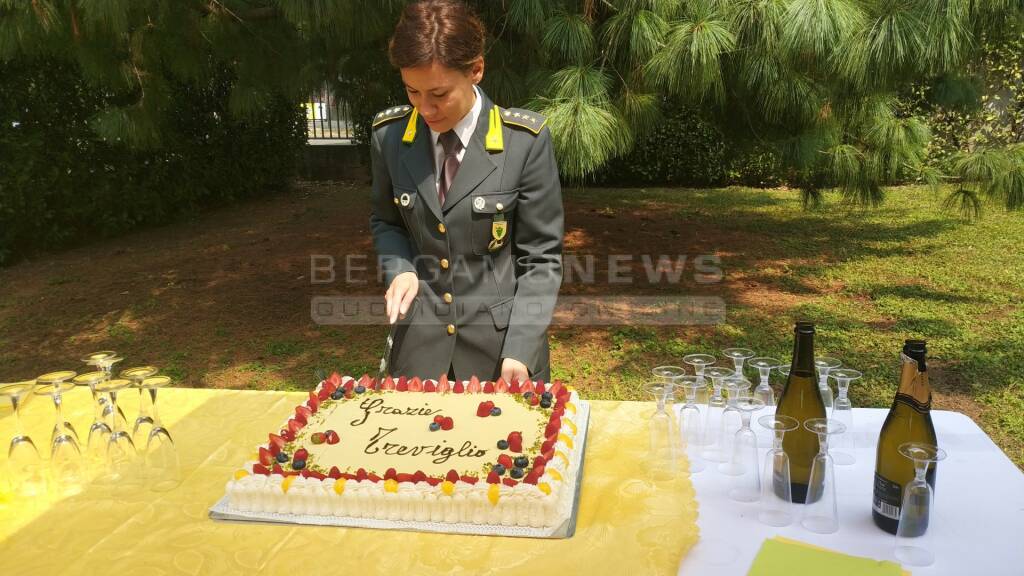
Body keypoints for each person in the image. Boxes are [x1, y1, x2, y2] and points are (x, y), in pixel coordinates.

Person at [369, 0, 563, 384]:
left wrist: (520, 348)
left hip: (502, 353)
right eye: (412, 92)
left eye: (439, 94)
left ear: (476, 69)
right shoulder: (389, 137)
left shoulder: (523, 143)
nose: (425, 108)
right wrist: (401, 269)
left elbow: (541, 258)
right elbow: (386, 222)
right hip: (418, 352)